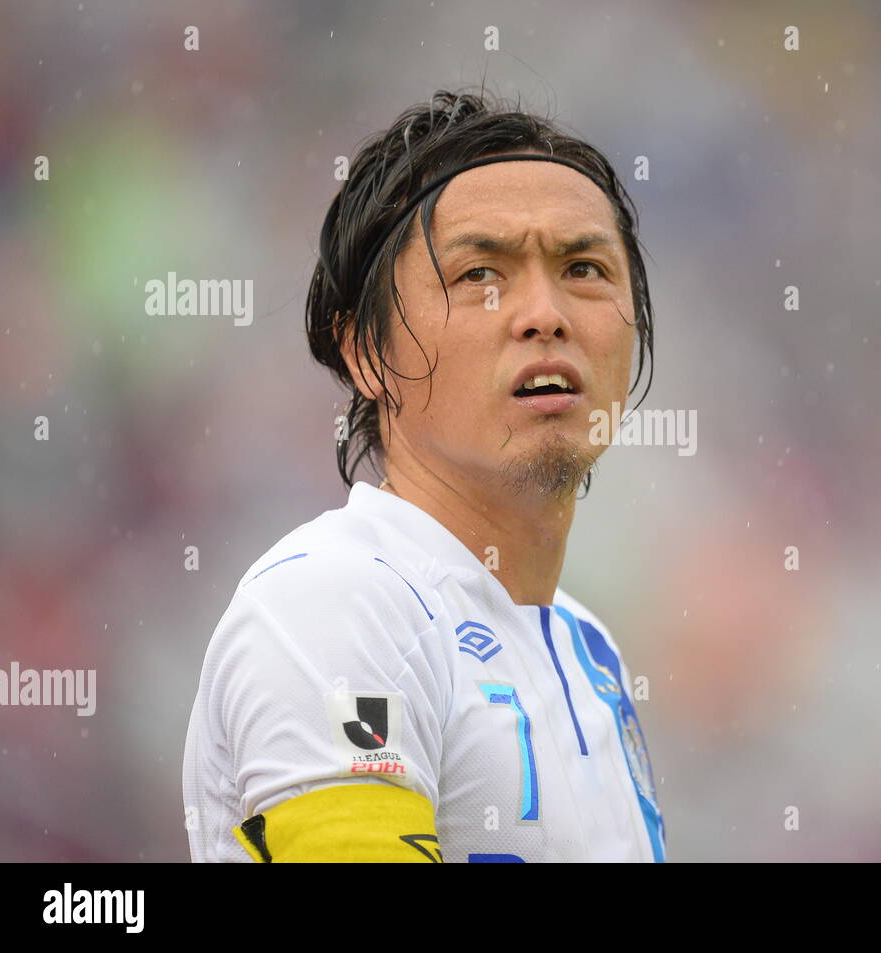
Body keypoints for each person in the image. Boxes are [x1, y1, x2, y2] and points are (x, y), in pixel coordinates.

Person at [182, 89, 665, 862]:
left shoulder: (587, 644)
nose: (545, 313)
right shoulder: (336, 599)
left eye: (583, 266)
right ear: (366, 353)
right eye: (480, 272)